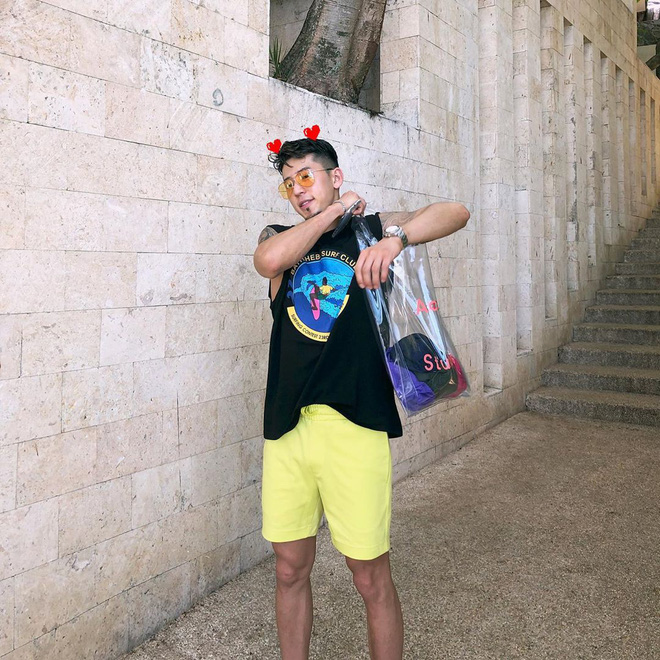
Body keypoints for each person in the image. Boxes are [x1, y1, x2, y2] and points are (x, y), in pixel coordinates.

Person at [253, 132, 469, 660]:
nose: (299, 190)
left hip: (356, 424)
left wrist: (395, 240)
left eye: (308, 176)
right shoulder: (283, 238)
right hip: (287, 427)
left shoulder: (372, 230)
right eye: (289, 184)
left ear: (335, 176)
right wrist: (333, 213)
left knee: (370, 576)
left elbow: (456, 212)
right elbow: (267, 260)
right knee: (289, 569)